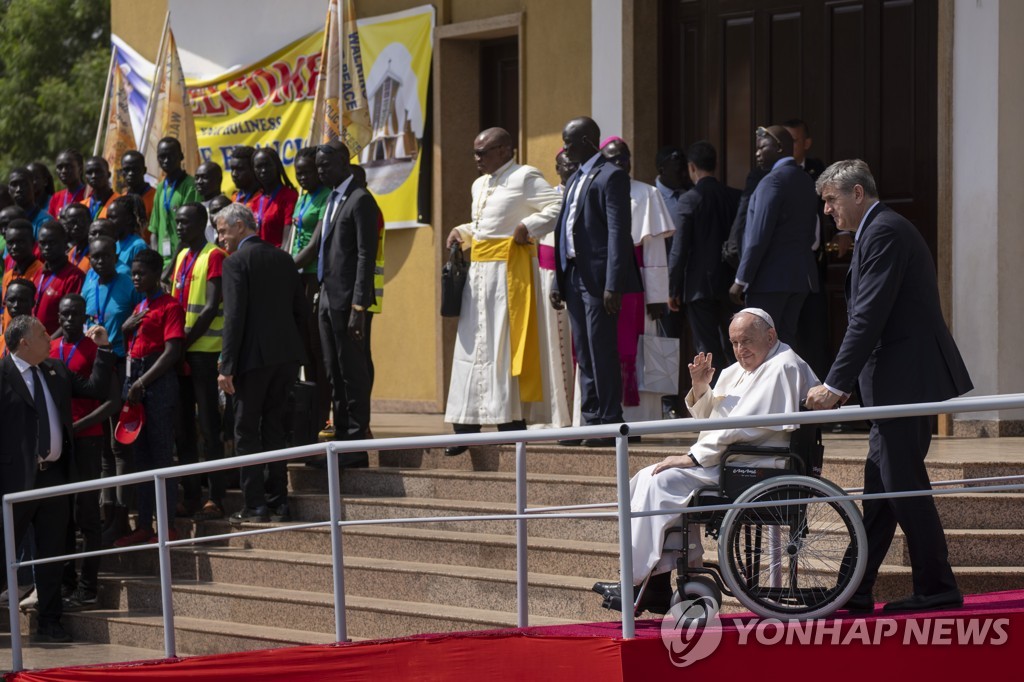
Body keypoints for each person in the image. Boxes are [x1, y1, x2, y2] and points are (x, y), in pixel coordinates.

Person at [805, 159, 974, 613]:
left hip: (906, 382)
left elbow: (868, 318)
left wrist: (835, 385)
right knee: (880, 490)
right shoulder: (876, 231)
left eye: (831, 200)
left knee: (901, 486)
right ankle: (854, 590)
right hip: (896, 384)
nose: (827, 211)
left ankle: (937, 588)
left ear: (857, 193)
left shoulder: (884, 231)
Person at [592, 309, 819, 613]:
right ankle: (654, 585)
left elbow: (740, 428)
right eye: (735, 343)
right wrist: (700, 387)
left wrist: (692, 457)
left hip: (755, 466)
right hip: (729, 459)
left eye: (747, 341)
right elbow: (713, 422)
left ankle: (636, 584)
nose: (740, 350)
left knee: (662, 482)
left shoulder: (783, 366)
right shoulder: (742, 368)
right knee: (649, 477)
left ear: (771, 336)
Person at [443, 127, 562, 453]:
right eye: (475, 152)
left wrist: (529, 226)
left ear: (505, 150)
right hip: (478, 276)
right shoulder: (479, 184)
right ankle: (465, 424)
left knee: (502, 347)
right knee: (471, 348)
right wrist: (461, 232)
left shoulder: (525, 177)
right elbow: (483, 228)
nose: (476, 159)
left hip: (509, 277)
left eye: (483, 152)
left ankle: (509, 422)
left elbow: (558, 204)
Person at [0, 314, 113, 643]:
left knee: (52, 554)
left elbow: (96, 388)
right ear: (24, 342)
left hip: (54, 479)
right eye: (42, 333)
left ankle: (49, 620)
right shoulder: (3, 374)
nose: (50, 336)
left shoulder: (56, 370)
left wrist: (103, 349)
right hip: (13, 483)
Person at [552, 116, 642, 445]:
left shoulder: (611, 175)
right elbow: (564, 228)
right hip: (574, 274)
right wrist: (557, 280)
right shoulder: (575, 176)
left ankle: (609, 421)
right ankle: (590, 419)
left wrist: (613, 283)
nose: (565, 148)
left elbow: (619, 232)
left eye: (570, 142)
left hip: (599, 278)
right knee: (584, 353)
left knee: (601, 350)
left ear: (589, 141)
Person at [216, 203, 305, 523]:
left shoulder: (236, 263)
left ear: (241, 227)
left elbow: (234, 317)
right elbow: (299, 311)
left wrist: (226, 366)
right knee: (275, 429)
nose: (220, 237)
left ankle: (255, 505)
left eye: (224, 230)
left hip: (251, 363)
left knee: (246, 431)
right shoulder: (284, 259)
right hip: (285, 359)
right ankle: (279, 501)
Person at [314, 139, 384, 464]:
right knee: (333, 371)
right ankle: (341, 438)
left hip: (348, 304)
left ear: (343, 162)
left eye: (325, 164)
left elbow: (365, 256)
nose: (319, 170)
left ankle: (356, 443)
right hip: (327, 299)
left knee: (352, 372)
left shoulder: (360, 200)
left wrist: (359, 307)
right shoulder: (332, 199)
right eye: (318, 165)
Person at [50, 293, 120, 610]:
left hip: (87, 440)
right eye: (64, 315)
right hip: (57, 443)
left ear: (84, 316)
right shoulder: (49, 350)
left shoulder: (97, 350)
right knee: (61, 515)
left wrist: (78, 427)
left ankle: (88, 585)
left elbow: (111, 401)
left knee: (87, 514)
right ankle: (65, 582)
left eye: (75, 314)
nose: (69, 320)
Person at [599, 137, 675, 423]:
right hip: (603, 287)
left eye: (624, 157)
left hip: (638, 289)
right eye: (612, 159)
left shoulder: (647, 194)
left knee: (642, 352)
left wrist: (657, 297)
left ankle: (641, 418)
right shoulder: (596, 190)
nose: (620, 163)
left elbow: (655, 253)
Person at [113, 249, 185, 546]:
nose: (136, 278)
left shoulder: (170, 306)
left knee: (160, 455)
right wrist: (124, 329)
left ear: (157, 274)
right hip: (135, 381)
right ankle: (143, 523)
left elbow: (172, 352)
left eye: (141, 273)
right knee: (139, 457)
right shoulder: (139, 305)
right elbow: (133, 346)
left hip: (155, 382)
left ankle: (165, 525)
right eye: (133, 273)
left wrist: (142, 381)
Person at [729, 125, 819, 346]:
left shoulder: (772, 181)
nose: (757, 153)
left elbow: (758, 237)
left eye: (762, 147)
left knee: (760, 346)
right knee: (785, 344)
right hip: (800, 279)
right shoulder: (807, 180)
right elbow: (815, 236)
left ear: (779, 148)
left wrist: (741, 280)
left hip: (769, 281)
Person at [81, 235, 142, 543]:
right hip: (97, 366)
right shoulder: (88, 282)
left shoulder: (127, 283)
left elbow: (138, 321)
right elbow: (84, 319)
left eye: (106, 256)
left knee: (120, 446)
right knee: (104, 449)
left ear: (115, 255)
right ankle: (108, 515)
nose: (100, 261)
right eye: (95, 257)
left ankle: (122, 515)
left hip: (121, 365)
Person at [170, 203, 228, 520]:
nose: (179, 227)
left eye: (185, 221)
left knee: (209, 426)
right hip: (182, 355)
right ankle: (192, 495)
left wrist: (182, 343)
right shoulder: (181, 257)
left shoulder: (214, 255)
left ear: (200, 223)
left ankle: (216, 497)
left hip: (204, 352)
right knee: (184, 430)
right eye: (177, 222)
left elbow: (209, 308)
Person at [669, 140, 739, 377]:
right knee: (736, 346)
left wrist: (672, 288)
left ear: (691, 167)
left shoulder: (689, 200)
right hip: (731, 282)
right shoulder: (734, 197)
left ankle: (716, 403)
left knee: (707, 348)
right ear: (715, 165)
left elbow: (679, 249)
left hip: (699, 286)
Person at [784, 117, 833, 380]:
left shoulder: (817, 170)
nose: (789, 146)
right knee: (788, 338)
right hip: (783, 271)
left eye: (794, 140)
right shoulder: (766, 174)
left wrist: (844, 233)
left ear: (807, 143)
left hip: (814, 266)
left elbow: (834, 202)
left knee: (815, 336)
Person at [531, 150, 577, 430]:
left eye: (574, 163)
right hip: (549, 274)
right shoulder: (546, 198)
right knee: (554, 345)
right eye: (564, 164)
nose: (570, 168)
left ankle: (581, 413)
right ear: (556, 167)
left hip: (580, 276)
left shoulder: (587, 191)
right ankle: (560, 415)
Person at [290, 147, 333, 433]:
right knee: (302, 347)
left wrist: (285, 267)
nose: (304, 177)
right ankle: (306, 414)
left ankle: (323, 413)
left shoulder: (326, 197)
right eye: (299, 174)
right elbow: (293, 238)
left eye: (308, 171)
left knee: (317, 349)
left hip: (312, 278)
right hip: (295, 277)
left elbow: (315, 243)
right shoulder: (302, 197)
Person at [148, 137, 201, 267]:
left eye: (171, 156)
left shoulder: (191, 186)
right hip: (163, 265)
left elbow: (190, 233)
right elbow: (154, 231)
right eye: (162, 156)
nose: (166, 160)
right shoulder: (160, 188)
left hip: (184, 261)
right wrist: (156, 264)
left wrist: (171, 268)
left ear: (181, 156)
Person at [33, 221, 85, 334]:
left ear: (64, 242)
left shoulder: (74, 277)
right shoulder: (38, 273)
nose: (47, 247)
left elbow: (71, 318)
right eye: (42, 243)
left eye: (52, 242)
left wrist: (50, 343)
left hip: (55, 346)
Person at [252, 146, 298, 248]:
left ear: (277, 166)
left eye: (267, 165)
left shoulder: (289, 197)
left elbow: (288, 240)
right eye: (258, 167)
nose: (263, 170)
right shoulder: (255, 201)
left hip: (278, 259)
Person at [2, 219, 43, 332]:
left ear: (33, 243)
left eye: (20, 242)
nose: (14, 247)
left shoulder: (41, 274)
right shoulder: (8, 275)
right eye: (10, 242)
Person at [120, 150, 156, 244]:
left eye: (135, 169)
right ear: (122, 172)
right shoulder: (120, 200)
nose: (131, 173)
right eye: (127, 170)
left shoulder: (155, 197)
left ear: (144, 170)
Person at [106, 195, 149, 270]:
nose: (108, 222)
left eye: (112, 217)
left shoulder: (138, 246)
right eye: (107, 218)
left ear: (128, 219)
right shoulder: (115, 244)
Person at [9, 167, 54, 236]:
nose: (18, 189)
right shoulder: (6, 222)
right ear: (9, 190)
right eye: (14, 185)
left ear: (33, 187)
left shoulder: (46, 222)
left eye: (24, 184)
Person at [0, 278, 36, 357]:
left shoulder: (40, 340)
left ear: (33, 303)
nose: (16, 305)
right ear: (5, 302)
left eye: (22, 300)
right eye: (11, 300)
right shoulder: (2, 341)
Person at [49, 150, 88, 220]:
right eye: (60, 167)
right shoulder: (56, 198)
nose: (63, 171)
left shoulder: (89, 195)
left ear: (80, 168)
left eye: (68, 166)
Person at [81, 156, 120, 220]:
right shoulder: (83, 205)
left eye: (98, 172)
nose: (93, 176)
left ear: (108, 174)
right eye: (89, 172)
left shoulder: (119, 203)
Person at [194, 161, 224, 244]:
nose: (199, 182)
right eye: (197, 178)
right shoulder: (197, 208)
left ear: (219, 179)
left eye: (204, 177)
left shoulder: (225, 206)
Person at [228, 146, 263, 211]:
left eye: (240, 169)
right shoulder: (233, 199)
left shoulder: (264, 198)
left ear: (253, 169)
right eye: (232, 169)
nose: (234, 174)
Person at [62, 203, 93, 273]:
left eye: (81, 222)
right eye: (72, 223)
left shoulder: (97, 254)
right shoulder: (68, 255)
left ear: (90, 222)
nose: (76, 227)